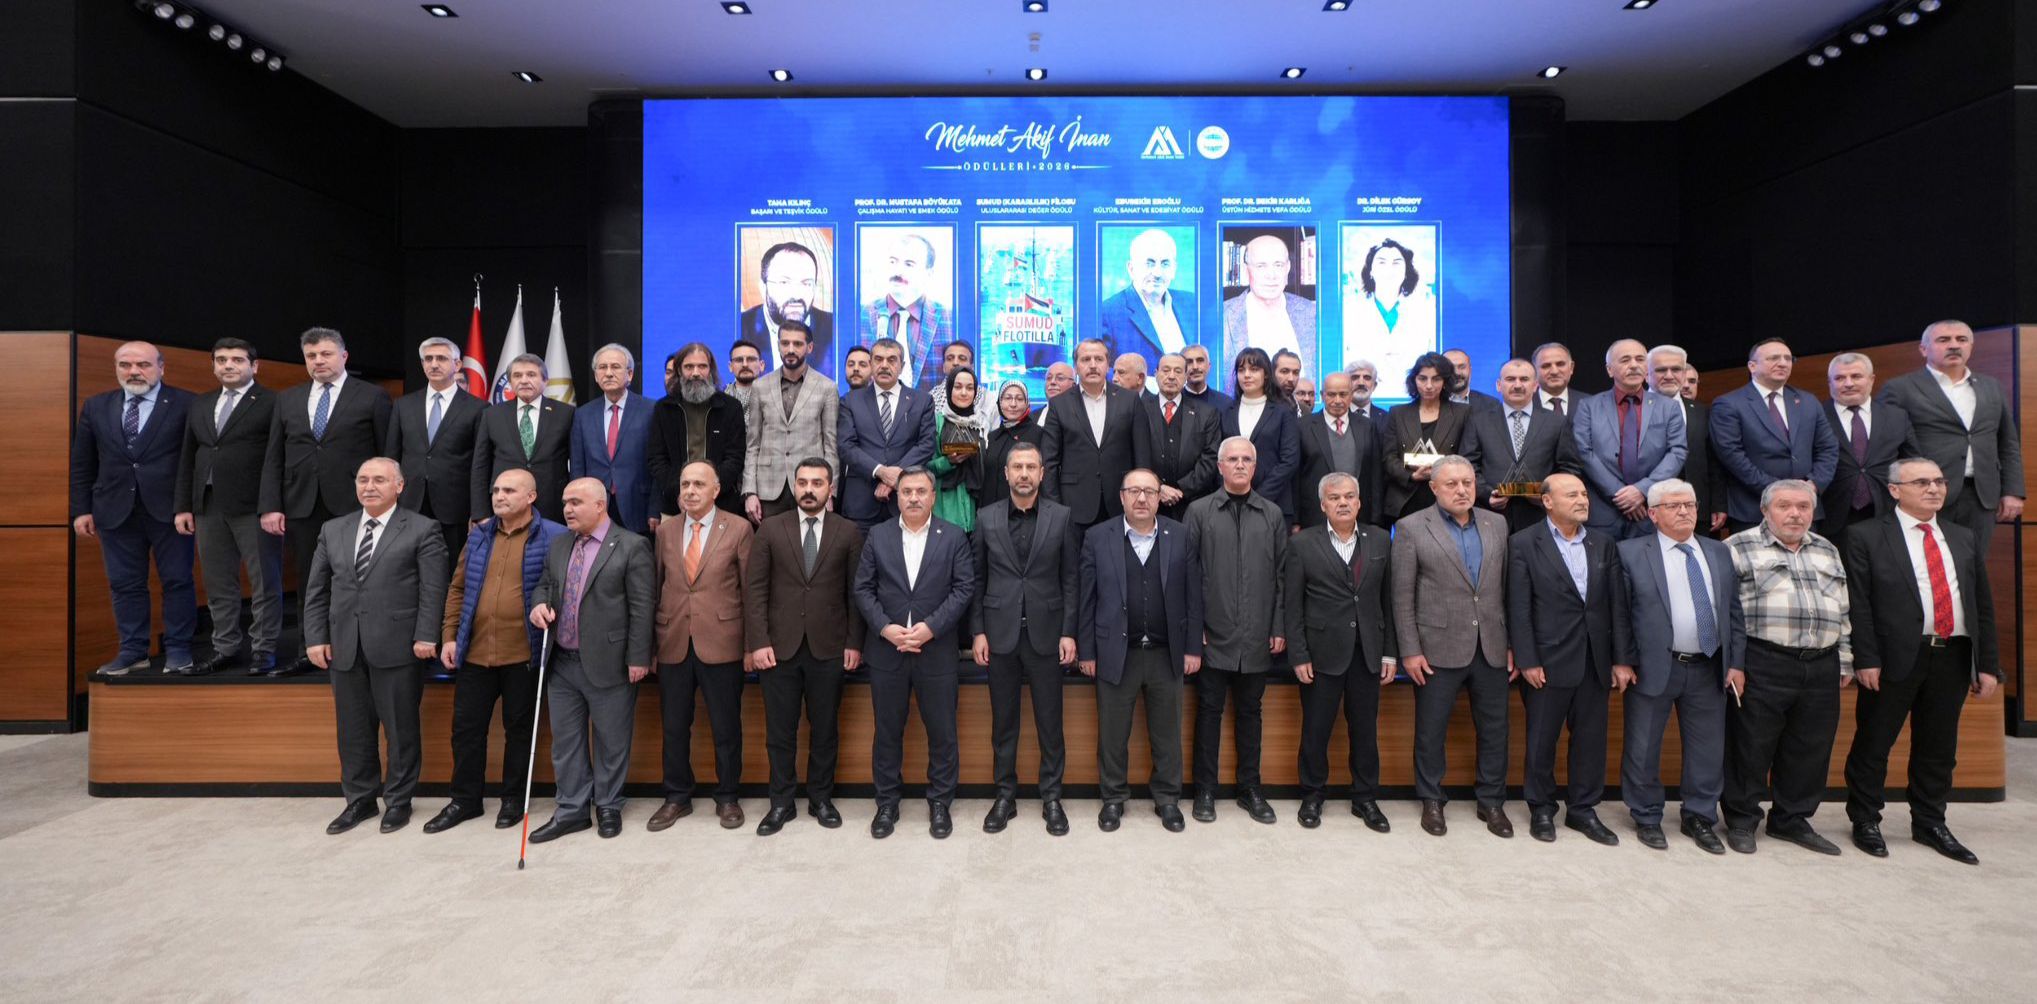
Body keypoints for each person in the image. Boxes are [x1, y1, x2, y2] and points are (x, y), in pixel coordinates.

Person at [1843, 458, 2000, 864]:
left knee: (1938, 747)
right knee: (1874, 742)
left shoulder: (1962, 537)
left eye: (1939, 481)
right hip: (1892, 656)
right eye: (1922, 482)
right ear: (1895, 490)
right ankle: (1865, 819)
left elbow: (1981, 605)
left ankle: (1930, 821)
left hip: (1953, 654)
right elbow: (1859, 604)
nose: (1934, 489)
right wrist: (1866, 657)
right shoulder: (1866, 535)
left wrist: (1987, 664)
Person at [303, 458, 448, 835]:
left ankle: (398, 801)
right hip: (344, 646)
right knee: (352, 730)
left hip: (398, 646)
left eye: (379, 480)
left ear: (399, 486)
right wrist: (316, 637)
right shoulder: (333, 529)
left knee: (400, 729)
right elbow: (316, 589)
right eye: (363, 479)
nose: (369, 486)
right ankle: (360, 800)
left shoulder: (423, 528)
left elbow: (434, 589)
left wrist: (427, 635)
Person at [427, 468, 566, 833]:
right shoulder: (478, 535)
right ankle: (464, 800)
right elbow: (458, 588)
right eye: (496, 490)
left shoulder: (554, 536)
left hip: (524, 653)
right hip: (475, 652)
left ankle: (513, 799)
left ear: (531, 496)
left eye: (509, 491)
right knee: (466, 730)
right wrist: (450, 635)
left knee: (519, 730)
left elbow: (562, 587)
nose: (499, 496)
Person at [1613, 478, 1744, 854]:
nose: (1684, 511)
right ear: (1653, 514)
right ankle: (1646, 815)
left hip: (1709, 666)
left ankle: (1699, 816)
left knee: (1707, 749)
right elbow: (1620, 614)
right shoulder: (1630, 552)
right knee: (1643, 746)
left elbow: (1733, 612)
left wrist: (1736, 663)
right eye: (1673, 506)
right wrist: (1622, 660)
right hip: (1653, 665)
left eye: (1689, 504)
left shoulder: (1718, 551)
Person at [1722, 478, 1851, 856]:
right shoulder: (1738, 547)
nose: (1795, 514)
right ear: (1765, 510)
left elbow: (1843, 609)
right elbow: (1725, 613)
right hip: (1762, 660)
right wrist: (1734, 663)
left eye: (1803, 506)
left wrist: (1845, 659)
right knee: (1750, 745)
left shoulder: (1827, 548)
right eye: (1784, 506)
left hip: (1821, 663)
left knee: (1810, 747)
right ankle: (1741, 818)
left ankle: (1791, 819)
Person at [526, 478, 656, 843]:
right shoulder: (559, 544)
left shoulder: (632, 546)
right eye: (565, 502)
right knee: (566, 742)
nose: (567, 509)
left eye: (575, 502)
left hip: (609, 660)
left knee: (611, 740)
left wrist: (638, 657)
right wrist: (538, 604)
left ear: (600, 505)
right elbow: (544, 584)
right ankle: (571, 810)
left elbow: (642, 607)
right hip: (562, 661)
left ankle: (609, 805)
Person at [1392, 456, 1514, 838]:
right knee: (1431, 731)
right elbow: (1401, 596)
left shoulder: (1497, 523)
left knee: (1495, 730)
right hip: (1436, 648)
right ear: (1433, 488)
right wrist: (1410, 650)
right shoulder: (1411, 527)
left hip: (1491, 645)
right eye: (1451, 484)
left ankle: (1491, 801)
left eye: (1467, 483)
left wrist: (1512, 643)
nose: (1462, 490)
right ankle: (1432, 799)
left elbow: (1506, 589)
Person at [261, 327, 392, 676]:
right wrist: (271, 504)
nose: (318, 361)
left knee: (359, 578)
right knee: (310, 580)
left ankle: (358, 650)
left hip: (356, 504)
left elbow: (387, 454)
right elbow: (274, 456)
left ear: (343, 356)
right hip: (301, 502)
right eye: (311, 356)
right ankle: (310, 650)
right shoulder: (287, 399)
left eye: (326, 354)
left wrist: (387, 503)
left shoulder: (373, 396)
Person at [1079, 468, 1203, 834]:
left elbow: (1194, 595)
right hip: (1116, 652)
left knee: (1167, 733)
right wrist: (1087, 651)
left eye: (1149, 491)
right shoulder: (1097, 537)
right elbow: (1086, 600)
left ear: (1160, 497)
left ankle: (1167, 799)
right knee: (1113, 734)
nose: (1142, 498)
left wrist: (1193, 647)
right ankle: (1113, 798)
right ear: (1121, 497)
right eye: (1134, 491)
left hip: (1167, 652)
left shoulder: (1180, 535)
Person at [1505, 472, 1626, 845]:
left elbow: (1617, 606)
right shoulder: (1524, 543)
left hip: (1595, 659)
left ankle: (1583, 810)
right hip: (1547, 660)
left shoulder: (1603, 544)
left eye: (1584, 494)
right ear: (1547, 501)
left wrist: (1621, 659)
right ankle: (1541, 808)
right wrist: (1527, 659)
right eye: (1572, 495)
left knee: (1590, 740)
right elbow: (1518, 607)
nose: (1582, 500)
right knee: (1542, 740)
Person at [854, 467, 975, 839]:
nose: (914, 498)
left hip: (935, 650)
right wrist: (885, 628)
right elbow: (863, 589)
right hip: (887, 650)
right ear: (897, 495)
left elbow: (963, 588)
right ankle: (886, 804)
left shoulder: (953, 536)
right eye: (907, 491)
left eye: (921, 491)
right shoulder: (878, 535)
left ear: (933, 496)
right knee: (887, 732)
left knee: (942, 732)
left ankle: (940, 803)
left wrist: (930, 628)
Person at [747, 458, 865, 835]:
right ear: (794, 486)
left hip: (829, 647)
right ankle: (781, 803)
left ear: (831, 488)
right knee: (780, 732)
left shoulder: (848, 531)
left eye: (817, 482)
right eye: (802, 482)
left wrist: (854, 642)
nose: (809, 489)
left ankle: (820, 799)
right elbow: (755, 590)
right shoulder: (770, 528)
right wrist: (758, 642)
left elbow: (855, 593)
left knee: (825, 729)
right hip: (778, 648)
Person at [970, 442, 1077, 836]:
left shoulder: (1062, 517)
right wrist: (978, 631)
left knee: (1050, 722)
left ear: (1042, 473)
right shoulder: (986, 517)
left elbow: (1071, 579)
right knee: (1004, 723)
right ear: (1006, 473)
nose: (1025, 474)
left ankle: (1052, 798)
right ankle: (1005, 796)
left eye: (1031, 467)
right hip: (999, 635)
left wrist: (1069, 631)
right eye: (1018, 467)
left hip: (1047, 635)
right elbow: (977, 579)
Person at [75, 340, 197, 676]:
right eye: (125, 365)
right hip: (114, 510)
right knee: (124, 584)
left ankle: (178, 649)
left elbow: (194, 461)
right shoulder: (97, 406)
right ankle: (133, 651)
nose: (134, 372)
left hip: (171, 511)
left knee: (177, 581)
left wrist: (187, 505)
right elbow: (83, 462)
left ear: (161, 367)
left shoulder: (187, 403)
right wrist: (81, 509)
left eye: (143, 365)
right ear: (116, 368)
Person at [1282, 472, 1396, 831]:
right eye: (1334, 498)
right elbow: (1292, 605)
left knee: (1364, 731)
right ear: (1323, 505)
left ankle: (1365, 798)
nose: (1342, 502)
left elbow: (1388, 601)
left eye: (1349, 496)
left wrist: (1389, 653)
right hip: (1320, 655)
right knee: (1316, 730)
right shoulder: (1302, 544)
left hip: (1367, 653)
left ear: (1359, 502)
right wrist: (1299, 654)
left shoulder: (1381, 539)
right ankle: (1312, 795)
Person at [1183, 437, 1288, 825]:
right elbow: (1187, 574)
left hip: (1258, 634)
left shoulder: (1272, 514)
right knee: (1209, 712)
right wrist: (1195, 628)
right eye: (1233, 459)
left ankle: (1250, 789)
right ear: (1220, 466)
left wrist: (1277, 625)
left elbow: (1281, 576)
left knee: (1250, 713)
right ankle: (1205, 790)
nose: (1240, 465)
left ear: (1255, 467)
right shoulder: (1199, 511)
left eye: (1247, 459)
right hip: (1213, 634)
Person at [648, 462, 754, 832]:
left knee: (726, 727)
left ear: (716, 490)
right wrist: (651, 648)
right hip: (673, 641)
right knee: (675, 726)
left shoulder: (738, 528)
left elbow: (750, 591)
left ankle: (728, 797)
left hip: (722, 642)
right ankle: (676, 797)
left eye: (698, 484)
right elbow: (657, 586)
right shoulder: (666, 530)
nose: (690, 491)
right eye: (685, 484)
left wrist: (751, 647)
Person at [174, 338, 281, 675]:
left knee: (264, 582)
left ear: (254, 366)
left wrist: (272, 505)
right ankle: (225, 647)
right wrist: (183, 506)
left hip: (254, 506)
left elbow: (276, 458)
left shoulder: (272, 402)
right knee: (219, 582)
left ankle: (264, 649)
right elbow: (188, 456)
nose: (228, 365)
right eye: (221, 360)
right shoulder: (201, 403)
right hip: (207, 505)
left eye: (236, 359)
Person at [1878, 319, 2024, 549]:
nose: (1954, 345)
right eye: (1944, 340)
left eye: (1961, 339)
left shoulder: (1991, 386)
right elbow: (1885, 447)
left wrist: (2013, 491)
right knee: (1927, 561)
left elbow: (2007, 443)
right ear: (1923, 349)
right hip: (1925, 493)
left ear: (1971, 347)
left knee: (1975, 563)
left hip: (1981, 495)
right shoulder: (1900, 388)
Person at [1710, 339, 1840, 533]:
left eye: (1788, 358)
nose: (1783, 363)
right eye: (1774, 358)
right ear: (1752, 366)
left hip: (1804, 510)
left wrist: (1813, 485)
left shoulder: (1808, 401)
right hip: (1754, 510)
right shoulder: (1729, 404)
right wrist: (1777, 490)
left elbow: (1828, 448)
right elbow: (1731, 455)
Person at [386, 337, 487, 569]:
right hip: (410, 502)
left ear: (457, 364)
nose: (433, 364)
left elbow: (480, 463)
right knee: (407, 567)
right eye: (428, 359)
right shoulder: (403, 405)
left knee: (451, 569)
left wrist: (479, 510)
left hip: (455, 506)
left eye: (441, 358)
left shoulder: (478, 408)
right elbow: (391, 457)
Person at [1573, 339, 1687, 540]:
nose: (1634, 365)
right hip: (1604, 511)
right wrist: (1621, 494)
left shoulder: (1669, 407)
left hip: (1651, 511)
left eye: (1640, 359)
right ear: (1610, 370)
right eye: (1625, 360)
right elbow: (1584, 453)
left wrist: (1642, 491)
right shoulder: (1588, 406)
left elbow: (1677, 452)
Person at [1462, 358, 1579, 534]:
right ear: (1498, 385)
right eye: (1510, 379)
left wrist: (1547, 493)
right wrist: (1487, 494)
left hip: (1541, 516)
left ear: (1535, 385)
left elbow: (1569, 468)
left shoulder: (1557, 422)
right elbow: (1468, 465)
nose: (1517, 385)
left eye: (1524, 379)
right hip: (1490, 516)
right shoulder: (1478, 420)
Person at [1041, 338, 1148, 530]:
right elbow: (1049, 462)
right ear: (1076, 367)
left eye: (1099, 359)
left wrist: (1141, 497)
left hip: (1121, 503)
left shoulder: (1129, 400)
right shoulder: (1059, 404)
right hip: (1073, 506)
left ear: (1108, 365)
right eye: (1085, 359)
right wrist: (1054, 507)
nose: (1092, 365)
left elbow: (1142, 456)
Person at [741, 320, 839, 524]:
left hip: (811, 486)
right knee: (770, 543)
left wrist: (830, 492)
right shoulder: (760, 386)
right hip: (768, 488)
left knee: (809, 543)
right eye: (785, 343)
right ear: (778, 345)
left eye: (797, 344)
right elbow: (753, 444)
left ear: (809, 347)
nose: (790, 349)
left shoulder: (827, 388)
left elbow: (831, 446)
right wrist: (749, 491)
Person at [838, 337, 936, 528]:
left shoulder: (922, 401)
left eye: (891, 360)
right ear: (871, 363)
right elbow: (846, 446)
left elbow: (926, 444)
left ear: (902, 366)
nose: (884, 365)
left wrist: (897, 475)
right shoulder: (850, 401)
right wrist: (880, 471)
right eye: (878, 359)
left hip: (906, 501)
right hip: (861, 503)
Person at [1820, 352, 1910, 552]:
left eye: (1856, 376)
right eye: (1839, 378)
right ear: (1829, 383)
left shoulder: (1897, 416)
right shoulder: (1815, 415)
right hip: (1831, 516)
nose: (1848, 383)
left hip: (1885, 512)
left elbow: (1911, 463)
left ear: (1871, 379)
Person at [472, 353, 575, 523]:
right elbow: (480, 466)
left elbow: (576, 463)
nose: (524, 380)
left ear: (545, 381)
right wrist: (480, 513)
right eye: (517, 375)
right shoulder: (492, 415)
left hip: (552, 505)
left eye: (531, 375)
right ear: (510, 382)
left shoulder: (566, 413)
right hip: (505, 505)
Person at [648, 342, 746, 517]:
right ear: (679, 371)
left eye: (702, 366)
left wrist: (709, 492)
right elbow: (657, 459)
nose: (695, 373)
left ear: (711, 370)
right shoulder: (664, 408)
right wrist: (681, 493)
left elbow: (735, 458)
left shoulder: (730, 407)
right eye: (689, 367)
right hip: (676, 506)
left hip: (721, 505)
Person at [567, 343, 655, 535]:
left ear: (630, 374)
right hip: (595, 506)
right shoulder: (583, 414)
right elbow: (578, 467)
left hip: (637, 505)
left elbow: (656, 464)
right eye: (602, 367)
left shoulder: (650, 410)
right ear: (596, 376)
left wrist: (655, 508)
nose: (608, 373)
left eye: (615, 367)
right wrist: (577, 503)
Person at [1382, 351, 1473, 523]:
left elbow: (1467, 456)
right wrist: (1411, 476)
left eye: (1436, 379)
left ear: (1445, 381)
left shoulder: (1462, 413)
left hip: (1448, 496)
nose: (1429, 385)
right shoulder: (1397, 413)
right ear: (1414, 380)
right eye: (1422, 378)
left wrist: (1443, 474)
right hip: (1405, 497)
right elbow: (1388, 458)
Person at [1648, 345, 1727, 534]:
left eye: (1676, 369)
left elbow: (1713, 460)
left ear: (1683, 374)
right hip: (1647, 510)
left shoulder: (1701, 411)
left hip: (1698, 510)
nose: (1669, 375)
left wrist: (1718, 504)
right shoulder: (1632, 409)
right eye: (1661, 370)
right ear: (1646, 374)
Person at [1219, 347, 1300, 525]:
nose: (1247, 375)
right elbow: (1220, 457)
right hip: (1231, 503)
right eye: (1241, 370)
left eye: (1254, 369)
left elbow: (1290, 460)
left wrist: (1258, 497)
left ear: (1266, 375)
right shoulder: (1226, 412)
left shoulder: (1283, 412)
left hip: (1274, 503)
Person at [861, 232, 953, 388]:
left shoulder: (949, 319)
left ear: (929, 273)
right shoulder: (862, 315)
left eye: (909, 264)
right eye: (893, 261)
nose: (897, 271)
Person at [1138, 353, 1222, 522]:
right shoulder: (1138, 409)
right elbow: (1133, 454)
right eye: (1166, 370)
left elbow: (1210, 458)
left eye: (1177, 371)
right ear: (1155, 373)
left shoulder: (1206, 413)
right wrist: (1157, 488)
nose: (1171, 376)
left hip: (1192, 504)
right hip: (1147, 502)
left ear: (1185, 377)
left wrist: (1180, 490)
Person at [1221, 234, 1317, 381]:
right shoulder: (1222, 316)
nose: (1271, 275)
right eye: (1261, 266)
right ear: (1246, 270)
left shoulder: (1312, 312)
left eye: (1278, 265)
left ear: (1288, 268)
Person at [1295, 371, 1383, 531]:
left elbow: (1376, 475)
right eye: (1331, 395)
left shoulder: (1367, 426)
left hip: (1360, 519)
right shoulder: (1302, 427)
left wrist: (1376, 520)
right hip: (1314, 519)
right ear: (1322, 395)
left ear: (1351, 395)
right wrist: (1296, 521)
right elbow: (1295, 477)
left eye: (1343, 394)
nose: (1337, 400)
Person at [1099, 227, 1196, 365]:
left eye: (1165, 264)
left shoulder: (1192, 303)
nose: (1157, 273)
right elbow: (1100, 369)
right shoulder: (1108, 312)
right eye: (1149, 264)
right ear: (1131, 269)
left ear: (1174, 269)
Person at [1342, 237, 1435, 375]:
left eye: (1396, 263)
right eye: (1382, 262)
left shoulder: (1425, 313)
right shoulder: (1350, 312)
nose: (1389, 269)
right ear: (1371, 271)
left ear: (1406, 272)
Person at [740, 241, 836, 372]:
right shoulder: (740, 327)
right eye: (784, 282)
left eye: (806, 283)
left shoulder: (834, 328)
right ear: (763, 288)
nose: (796, 294)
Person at [979, 380, 1044, 508]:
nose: (1013, 404)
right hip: (991, 511)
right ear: (999, 402)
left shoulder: (1039, 434)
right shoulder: (993, 436)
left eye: (1019, 399)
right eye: (1008, 398)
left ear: (1027, 403)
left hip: (1025, 510)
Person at [1443, 348, 1502, 415]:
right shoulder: (1433, 403)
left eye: (1462, 367)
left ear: (1470, 370)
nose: (1457, 373)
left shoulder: (1492, 405)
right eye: (1450, 368)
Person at [1180, 344, 1233, 411]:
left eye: (1200, 360)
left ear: (1209, 366)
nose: (1195, 367)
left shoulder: (1226, 403)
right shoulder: (1172, 402)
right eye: (1189, 362)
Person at [1532, 342, 1576, 417]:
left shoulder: (1589, 404)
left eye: (1560, 364)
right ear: (1534, 371)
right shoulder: (1523, 405)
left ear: (1571, 368)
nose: (1554, 372)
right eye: (1546, 366)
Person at [725, 339, 763, 409]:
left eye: (751, 359)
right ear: (730, 367)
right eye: (739, 360)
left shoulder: (774, 397)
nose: (745, 364)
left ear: (761, 365)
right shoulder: (718, 399)